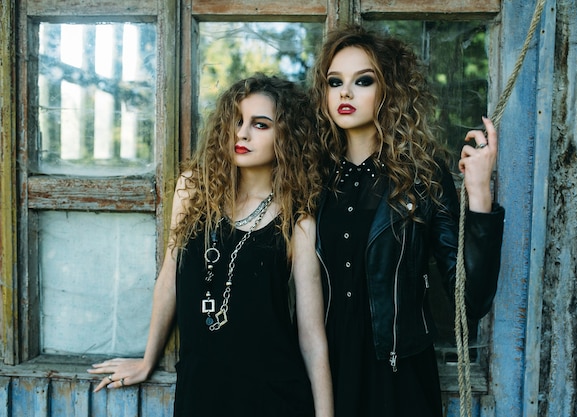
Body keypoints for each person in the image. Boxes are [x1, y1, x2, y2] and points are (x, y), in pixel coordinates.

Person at [88, 74, 333, 417]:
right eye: (236, 121)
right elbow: (168, 280)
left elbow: (311, 335)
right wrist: (148, 359)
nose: (242, 133)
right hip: (200, 391)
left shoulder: (297, 218)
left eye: (260, 124)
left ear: (287, 137)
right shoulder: (193, 190)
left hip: (274, 396)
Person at [308, 25, 505, 417]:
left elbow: (470, 303)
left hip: (398, 379)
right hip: (323, 373)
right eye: (335, 81)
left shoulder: (422, 176)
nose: (345, 93)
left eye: (363, 81)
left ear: (389, 91)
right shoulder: (310, 176)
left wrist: (479, 194)